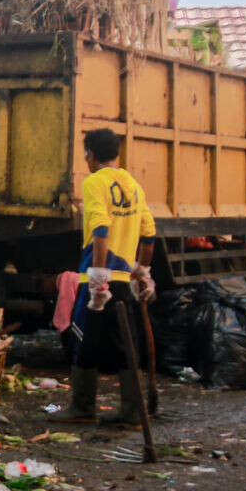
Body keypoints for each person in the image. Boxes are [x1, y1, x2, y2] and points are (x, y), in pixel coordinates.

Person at [64, 128, 157, 425]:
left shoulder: (94, 183)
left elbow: (100, 231)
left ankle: (86, 408)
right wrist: (142, 272)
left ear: (90, 155)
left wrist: (98, 280)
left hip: (99, 278)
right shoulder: (133, 184)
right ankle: (126, 411)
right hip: (123, 278)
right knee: (113, 342)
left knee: (88, 339)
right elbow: (149, 233)